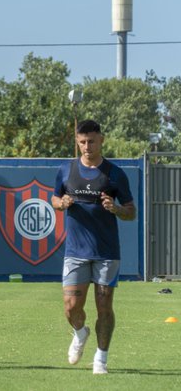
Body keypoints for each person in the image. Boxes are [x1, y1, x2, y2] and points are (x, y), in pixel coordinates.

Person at [51, 119, 135, 375]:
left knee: (104, 306)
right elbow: (54, 198)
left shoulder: (115, 174)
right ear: (77, 142)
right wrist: (61, 202)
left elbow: (131, 212)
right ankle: (80, 333)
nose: (87, 146)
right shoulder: (66, 170)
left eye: (92, 141)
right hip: (75, 252)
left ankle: (101, 358)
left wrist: (117, 208)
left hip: (106, 253)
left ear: (102, 140)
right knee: (70, 307)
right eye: (83, 142)